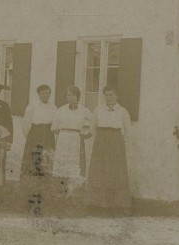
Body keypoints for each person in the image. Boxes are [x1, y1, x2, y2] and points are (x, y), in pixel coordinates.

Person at [84, 85, 133, 213]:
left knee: (116, 172)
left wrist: (124, 146)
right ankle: (98, 205)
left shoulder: (123, 111)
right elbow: (93, 128)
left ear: (116, 96)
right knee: (100, 171)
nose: (109, 97)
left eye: (111, 94)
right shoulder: (98, 110)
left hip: (116, 142)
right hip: (101, 141)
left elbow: (128, 131)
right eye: (106, 95)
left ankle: (117, 205)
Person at [51, 85, 93, 190]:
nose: (70, 97)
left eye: (73, 95)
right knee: (62, 165)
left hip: (76, 140)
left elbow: (92, 126)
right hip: (63, 140)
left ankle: (75, 192)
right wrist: (63, 134)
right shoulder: (61, 110)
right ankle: (61, 190)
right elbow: (54, 127)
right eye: (68, 95)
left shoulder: (84, 110)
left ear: (78, 97)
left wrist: (83, 135)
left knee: (76, 166)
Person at [20, 84, 57, 201]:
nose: (45, 95)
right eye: (43, 93)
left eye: (47, 93)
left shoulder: (53, 108)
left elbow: (55, 124)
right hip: (35, 136)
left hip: (48, 136)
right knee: (34, 163)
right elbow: (26, 124)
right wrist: (31, 138)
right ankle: (30, 192)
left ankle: (45, 192)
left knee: (47, 162)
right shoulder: (32, 106)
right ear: (38, 94)